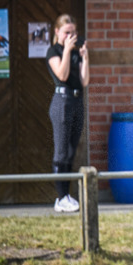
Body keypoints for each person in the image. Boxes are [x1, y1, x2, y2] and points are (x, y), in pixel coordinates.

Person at [47, 14, 89, 213]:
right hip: (61, 102)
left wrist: (85, 58)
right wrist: (66, 51)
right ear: (57, 32)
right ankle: (61, 197)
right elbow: (62, 75)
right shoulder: (53, 51)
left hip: (77, 100)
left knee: (72, 151)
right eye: (67, 32)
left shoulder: (76, 52)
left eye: (74, 32)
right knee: (61, 151)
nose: (71, 36)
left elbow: (84, 80)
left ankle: (67, 196)